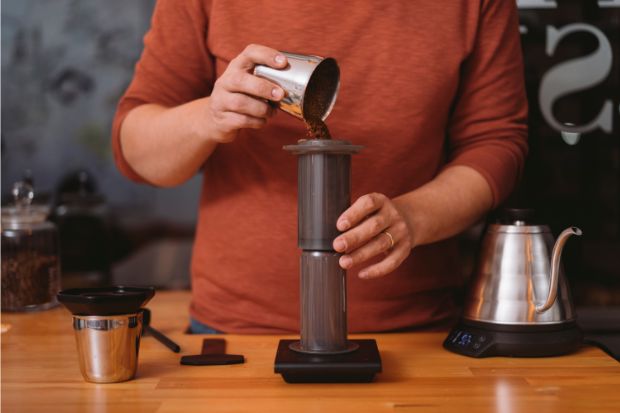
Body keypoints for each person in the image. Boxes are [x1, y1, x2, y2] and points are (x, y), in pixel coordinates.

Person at [112, 0, 528, 334]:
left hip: (411, 328)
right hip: (238, 331)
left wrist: (414, 217)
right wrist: (209, 117)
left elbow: (495, 143)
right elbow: (138, 152)